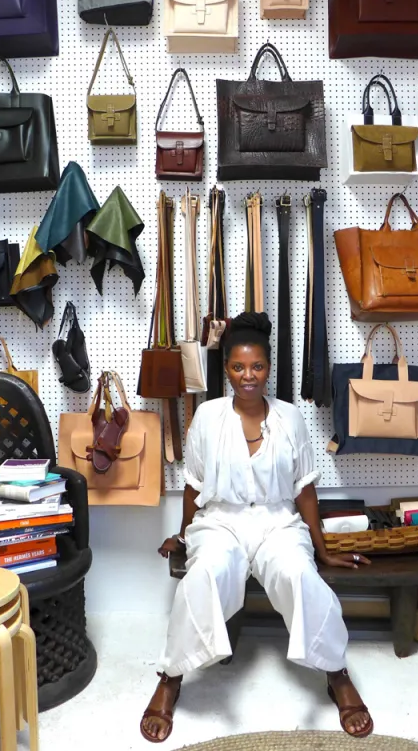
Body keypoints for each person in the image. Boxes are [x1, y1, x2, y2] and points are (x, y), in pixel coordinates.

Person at [140, 312, 373, 743]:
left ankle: (336, 673)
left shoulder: (290, 418)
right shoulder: (207, 418)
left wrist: (320, 550)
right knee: (204, 574)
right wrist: (185, 534)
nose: (248, 376)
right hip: (220, 523)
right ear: (226, 369)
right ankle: (171, 677)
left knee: (301, 576)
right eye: (238, 367)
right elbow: (193, 489)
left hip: (277, 523)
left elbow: (304, 491)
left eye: (258, 367)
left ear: (268, 369)